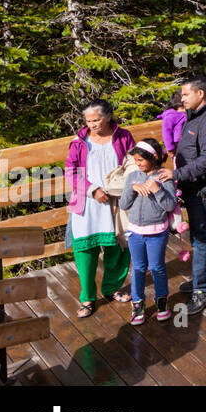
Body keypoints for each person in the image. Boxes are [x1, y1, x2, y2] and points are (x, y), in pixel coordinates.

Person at [157, 73, 206, 315]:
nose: (181, 98)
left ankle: (203, 291)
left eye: (185, 94)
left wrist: (177, 174)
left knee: (201, 237)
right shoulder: (194, 116)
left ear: (200, 94)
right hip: (193, 187)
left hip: (202, 189)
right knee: (203, 233)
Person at [64, 100, 135, 318]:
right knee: (85, 250)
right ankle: (87, 297)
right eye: (88, 121)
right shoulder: (79, 142)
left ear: (108, 117)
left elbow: (133, 163)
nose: (92, 124)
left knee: (118, 247)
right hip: (87, 202)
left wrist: (123, 186)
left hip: (116, 201)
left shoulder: (123, 136)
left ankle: (112, 287)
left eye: (96, 120)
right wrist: (92, 190)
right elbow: (70, 171)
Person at [118, 137, 177, 325]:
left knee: (157, 267)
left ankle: (161, 302)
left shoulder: (163, 176)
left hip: (157, 232)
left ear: (153, 157)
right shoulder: (133, 176)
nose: (138, 164)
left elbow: (170, 205)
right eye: (136, 160)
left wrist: (158, 189)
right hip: (135, 232)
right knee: (138, 268)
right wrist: (132, 188)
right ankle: (138, 304)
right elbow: (123, 204)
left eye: (141, 160)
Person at [157, 91, 191, 263]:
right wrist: (169, 148)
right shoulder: (172, 116)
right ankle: (178, 190)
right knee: (179, 170)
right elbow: (166, 132)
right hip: (178, 151)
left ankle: (180, 189)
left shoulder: (179, 115)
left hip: (183, 150)